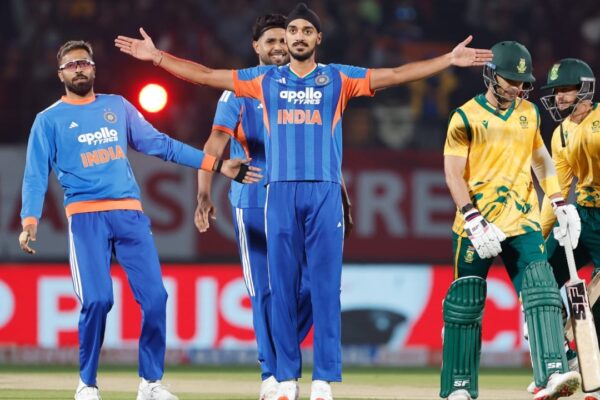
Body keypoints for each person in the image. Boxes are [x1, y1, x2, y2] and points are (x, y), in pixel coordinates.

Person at [115, 3, 492, 399]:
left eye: (304, 31)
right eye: (292, 31)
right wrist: (157, 58)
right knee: (280, 289)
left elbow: (396, 75)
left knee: (325, 290)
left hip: (324, 192)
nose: (295, 37)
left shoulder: (338, 78)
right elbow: (207, 76)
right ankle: (284, 379)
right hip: (278, 192)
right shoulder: (263, 80)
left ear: (318, 38)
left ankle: (323, 381)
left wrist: (448, 60)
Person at [18, 40, 261, 400]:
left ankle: (150, 383)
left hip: (129, 215)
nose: (79, 69)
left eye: (84, 63)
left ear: (94, 68)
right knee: (97, 300)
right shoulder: (48, 120)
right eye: (71, 65)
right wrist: (30, 220)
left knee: (156, 298)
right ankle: (87, 385)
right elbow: (35, 174)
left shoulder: (117, 107)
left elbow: (162, 145)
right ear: (60, 74)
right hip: (86, 218)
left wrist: (217, 165)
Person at [194, 13, 332, 400]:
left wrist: (341, 195)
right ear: (255, 47)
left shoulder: (306, 86)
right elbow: (214, 143)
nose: (278, 47)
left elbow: (325, 147)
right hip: (253, 199)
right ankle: (272, 375)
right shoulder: (239, 91)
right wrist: (204, 191)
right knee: (265, 291)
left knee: (310, 287)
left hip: (300, 198)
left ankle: (281, 352)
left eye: (282, 40)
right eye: (269, 41)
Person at [441, 41, 582, 400]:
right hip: (477, 226)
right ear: (491, 75)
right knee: (465, 303)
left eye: (522, 82)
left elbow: (541, 159)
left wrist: (558, 201)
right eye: (510, 80)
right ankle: (459, 386)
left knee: (543, 292)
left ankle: (552, 372)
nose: (517, 88)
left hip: (522, 221)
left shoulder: (529, 112)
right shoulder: (464, 117)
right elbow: (453, 174)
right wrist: (472, 217)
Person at [538, 58, 599, 400]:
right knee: (540, 277)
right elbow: (557, 191)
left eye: (565, 90)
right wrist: (537, 236)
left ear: (585, 90)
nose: (559, 97)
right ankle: (563, 357)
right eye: (556, 91)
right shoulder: (560, 133)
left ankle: (596, 379)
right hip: (583, 217)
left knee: (597, 304)